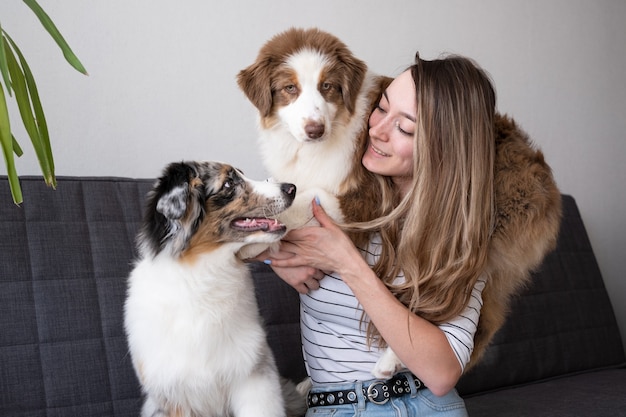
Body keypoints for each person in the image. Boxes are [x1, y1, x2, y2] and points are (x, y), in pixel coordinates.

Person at [261, 52, 496, 416]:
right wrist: (272, 252)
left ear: (443, 151)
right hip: (337, 406)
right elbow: (222, 224)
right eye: (381, 107)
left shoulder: (461, 232)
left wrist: (348, 263)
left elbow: (441, 373)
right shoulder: (332, 185)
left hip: (429, 404)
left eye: (405, 128)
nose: (377, 130)